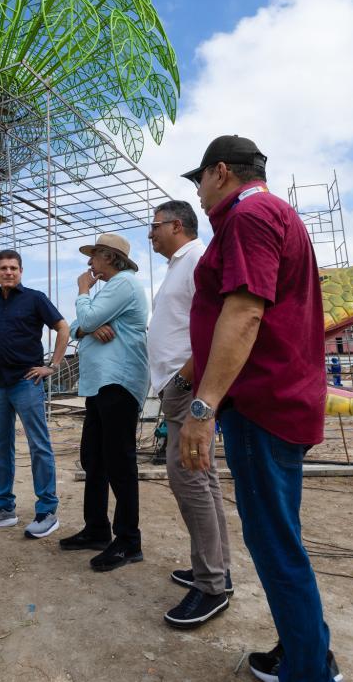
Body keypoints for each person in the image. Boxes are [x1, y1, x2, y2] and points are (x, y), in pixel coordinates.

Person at [179, 136, 342, 682]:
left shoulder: (248, 217)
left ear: (220, 172)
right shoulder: (272, 214)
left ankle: (309, 670)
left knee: (274, 542)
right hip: (275, 400)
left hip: (261, 405)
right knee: (279, 536)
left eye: (198, 179)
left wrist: (203, 409)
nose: (198, 193)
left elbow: (245, 312)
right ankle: (305, 649)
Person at [147, 200, 233, 628]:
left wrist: (182, 381)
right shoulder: (178, 265)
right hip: (177, 387)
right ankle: (218, 569)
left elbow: (218, 327)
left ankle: (211, 585)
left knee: (189, 482)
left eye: (155, 226)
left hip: (187, 387)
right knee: (205, 480)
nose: (151, 233)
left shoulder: (198, 259)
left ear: (176, 226)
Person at [59, 233, 149, 573]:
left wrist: (83, 292)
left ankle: (129, 540)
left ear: (110, 257)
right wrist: (89, 326)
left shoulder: (123, 284)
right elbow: (81, 326)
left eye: (94, 255)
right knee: (94, 458)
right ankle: (97, 528)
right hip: (102, 386)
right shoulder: (112, 289)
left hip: (119, 383)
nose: (89, 263)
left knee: (119, 462)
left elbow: (88, 318)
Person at [0, 250, 71, 538]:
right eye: (3, 268)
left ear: (21, 271)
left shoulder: (35, 298)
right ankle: (4, 508)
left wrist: (51, 365)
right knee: (2, 447)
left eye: (13, 268)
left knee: (39, 445)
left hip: (27, 382)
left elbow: (63, 327)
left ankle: (47, 510)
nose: (8, 272)